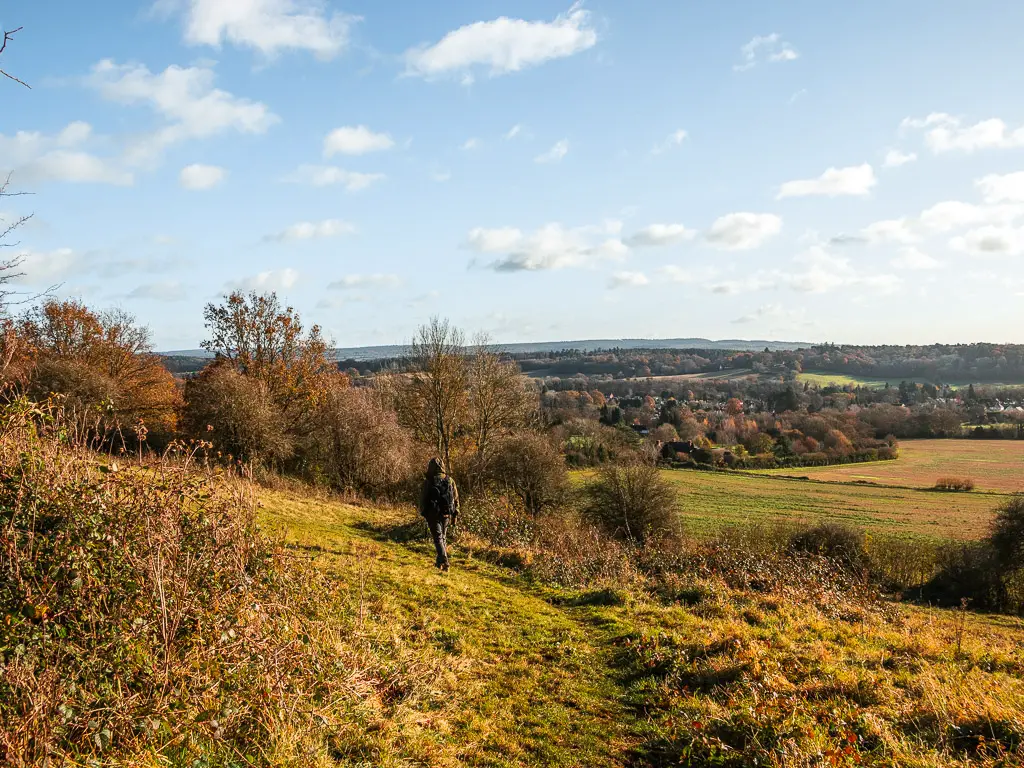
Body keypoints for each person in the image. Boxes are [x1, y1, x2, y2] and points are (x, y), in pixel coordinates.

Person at [419, 457, 459, 571]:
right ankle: (439, 563)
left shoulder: (428, 481)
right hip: (446, 513)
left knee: (438, 538)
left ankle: (444, 561)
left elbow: (423, 498)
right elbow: (456, 498)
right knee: (443, 537)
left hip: (433, 514)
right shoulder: (450, 480)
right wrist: (455, 514)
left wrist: (423, 512)